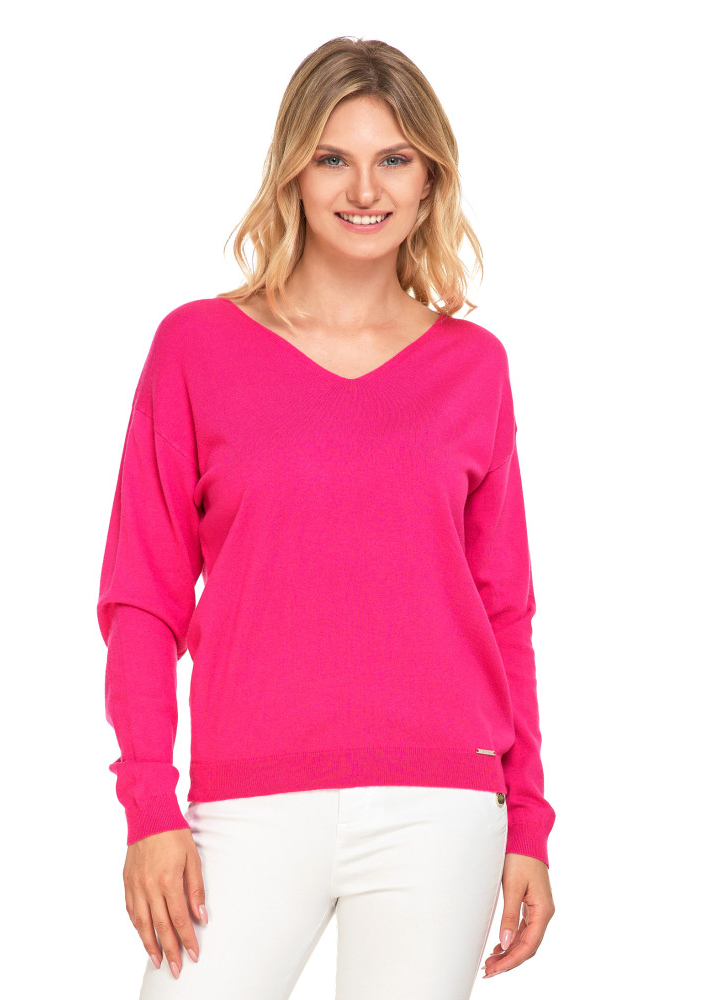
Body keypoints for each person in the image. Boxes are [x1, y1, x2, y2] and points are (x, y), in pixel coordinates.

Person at [97, 35, 556, 999]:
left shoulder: (473, 368)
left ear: (429, 179)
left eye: (395, 159)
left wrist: (528, 823)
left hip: (443, 804)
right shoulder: (195, 347)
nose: (365, 188)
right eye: (333, 158)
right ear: (293, 173)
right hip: (245, 802)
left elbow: (503, 611)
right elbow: (142, 598)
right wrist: (148, 807)